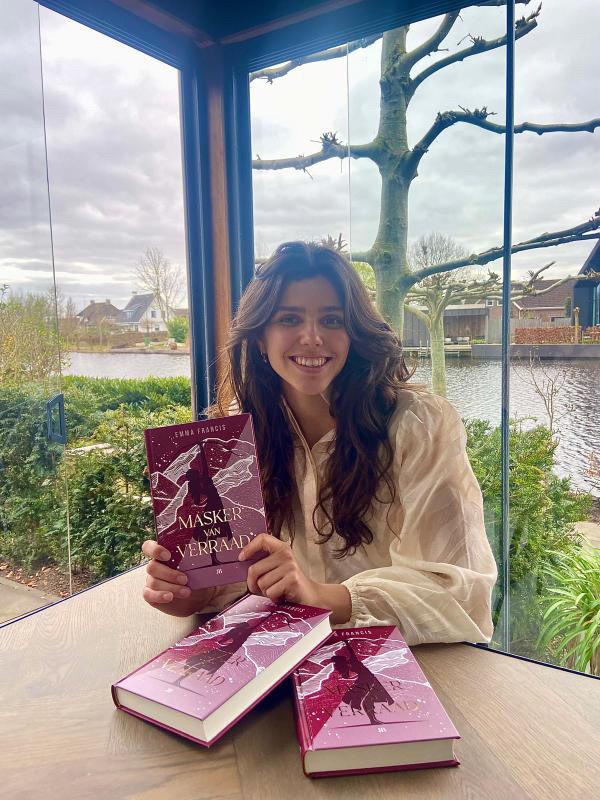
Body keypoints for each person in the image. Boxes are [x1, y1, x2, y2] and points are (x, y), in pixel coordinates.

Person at [142, 241, 497, 646]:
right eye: (289, 318)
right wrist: (189, 592)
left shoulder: (418, 423)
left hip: (405, 659)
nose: (311, 337)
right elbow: (237, 580)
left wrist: (321, 596)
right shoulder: (235, 437)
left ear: (354, 333)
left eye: (332, 320)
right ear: (260, 338)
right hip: (281, 656)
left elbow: (461, 594)